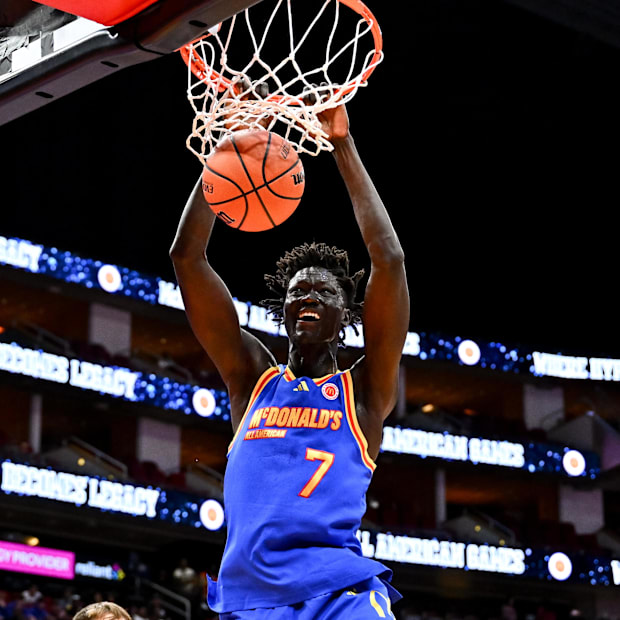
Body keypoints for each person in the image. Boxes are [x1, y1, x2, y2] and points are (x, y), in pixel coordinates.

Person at [170, 99, 409, 618]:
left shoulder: (363, 394)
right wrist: (226, 155)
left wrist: (342, 145)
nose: (308, 296)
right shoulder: (252, 379)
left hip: (337, 591)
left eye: (323, 292)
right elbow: (186, 258)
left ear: (347, 316)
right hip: (249, 596)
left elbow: (388, 259)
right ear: (282, 312)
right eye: (298, 292)